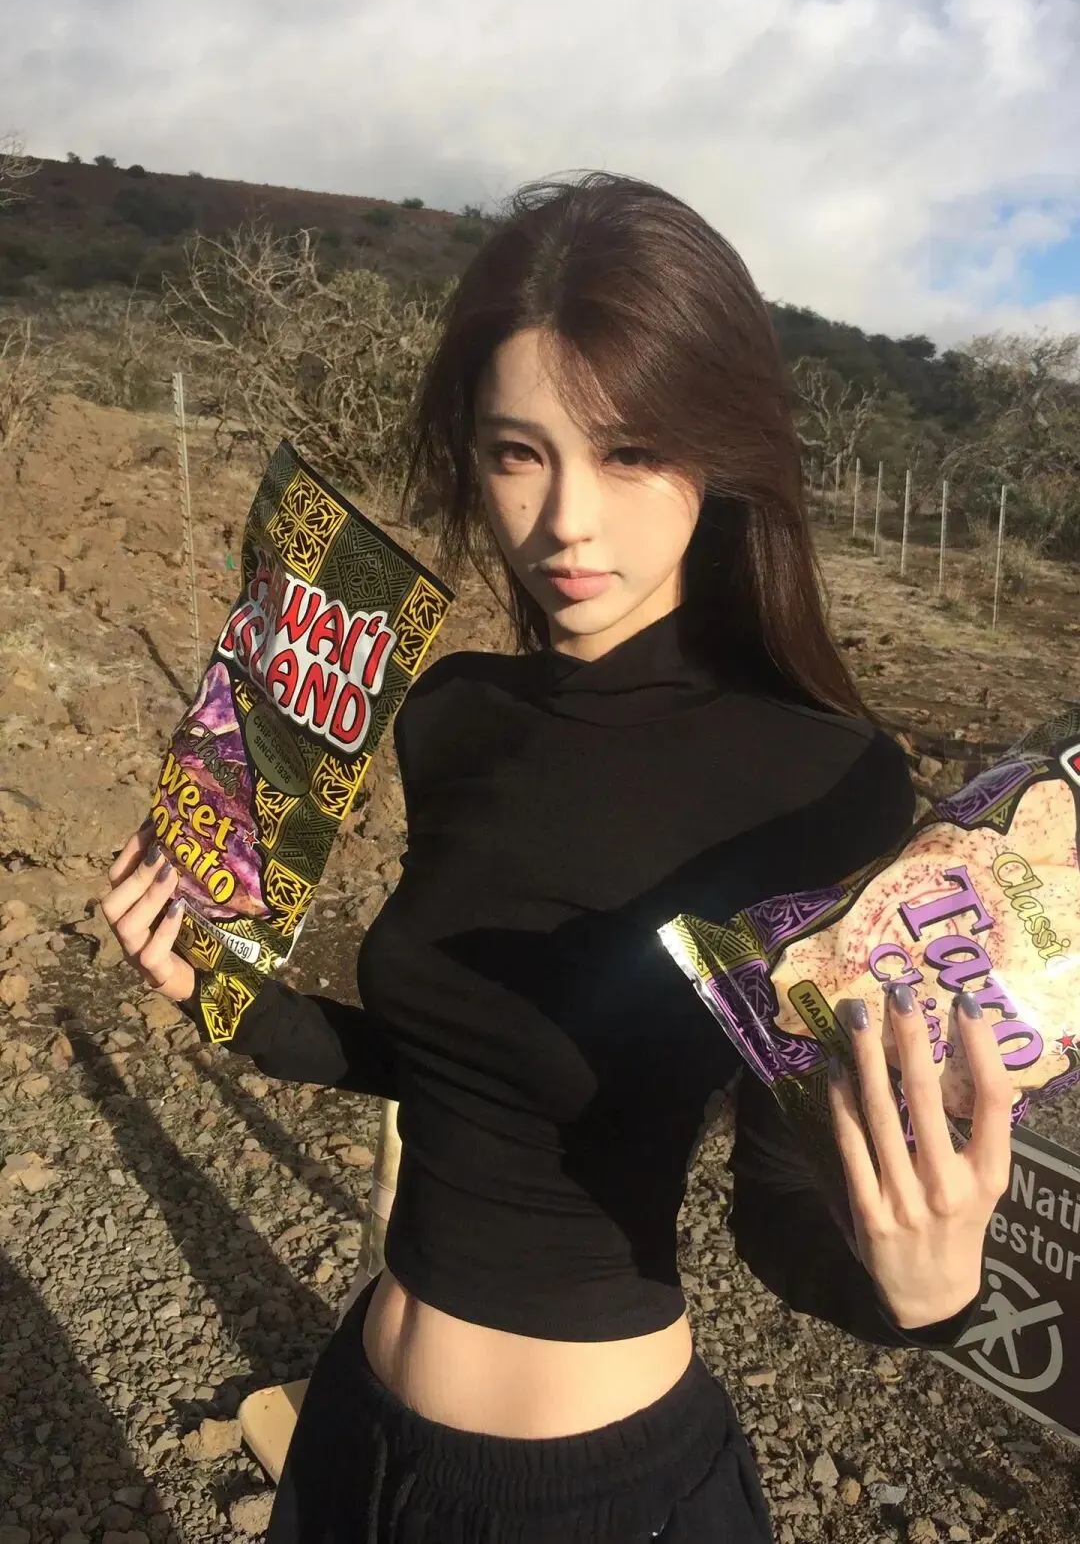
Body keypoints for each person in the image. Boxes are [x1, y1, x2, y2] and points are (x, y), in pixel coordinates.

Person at [101, 173, 1013, 1543]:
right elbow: (457, 1067)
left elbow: (779, 1195)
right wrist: (224, 995)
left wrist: (927, 1294)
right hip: (353, 1446)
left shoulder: (822, 782)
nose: (568, 520)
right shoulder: (457, 714)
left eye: (630, 451)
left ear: (722, 458)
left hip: (598, 1496)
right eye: (518, 453)